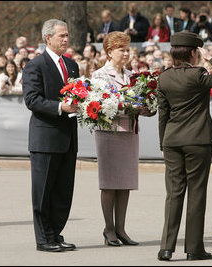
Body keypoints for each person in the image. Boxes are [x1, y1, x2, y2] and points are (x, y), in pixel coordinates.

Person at [157, 32, 212, 261]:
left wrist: (164, 142)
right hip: (197, 140)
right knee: (196, 193)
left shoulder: (164, 77)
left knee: (173, 194)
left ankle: (166, 247)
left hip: (172, 140)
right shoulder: (198, 74)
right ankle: (194, 249)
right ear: (193, 52)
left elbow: (163, 114)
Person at [91, 31, 155, 248]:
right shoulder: (100, 75)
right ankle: (108, 228)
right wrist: (129, 106)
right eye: (122, 50)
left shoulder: (132, 76)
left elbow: (141, 105)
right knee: (109, 184)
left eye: (128, 49)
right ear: (109, 52)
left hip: (129, 132)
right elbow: (100, 106)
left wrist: (149, 107)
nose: (126, 54)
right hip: (109, 132)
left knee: (125, 183)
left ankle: (121, 229)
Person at [22, 18, 80, 252]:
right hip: (45, 139)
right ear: (48, 38)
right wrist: (60, 108)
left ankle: (55, 233)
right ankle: (43, 238)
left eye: (67, 35)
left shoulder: (72, 65)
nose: (66, 39)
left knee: (63, 191)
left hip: (68, 138)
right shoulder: (35, 65)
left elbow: (78, 95)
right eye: (61, 36)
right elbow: (32, 99)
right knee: (43, 191)